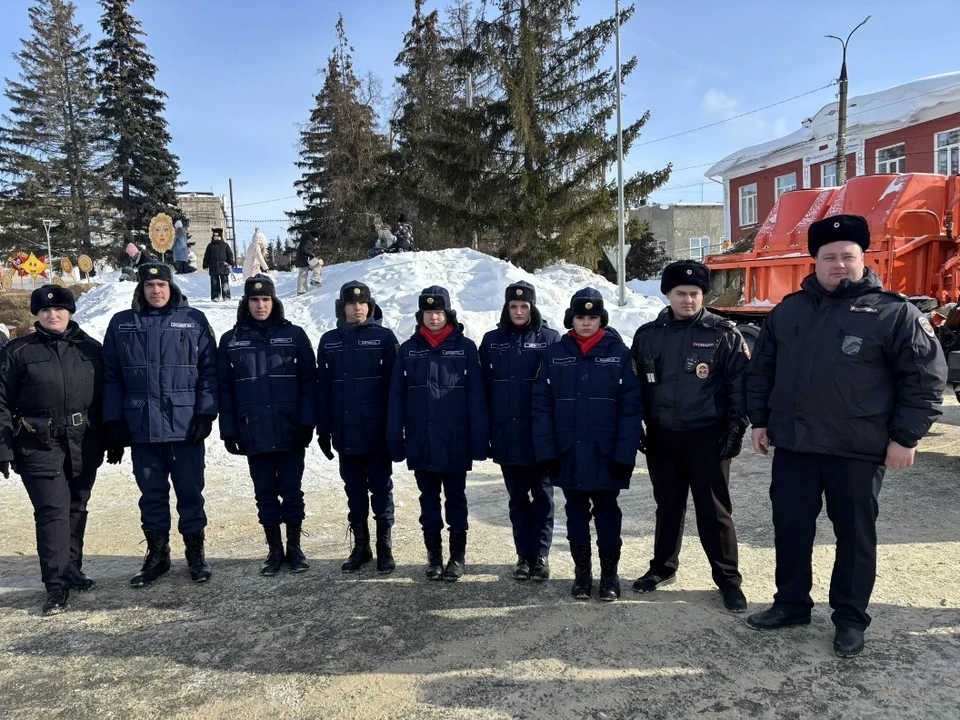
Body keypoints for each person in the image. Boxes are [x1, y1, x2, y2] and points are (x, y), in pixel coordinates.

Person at [744, 214, 947, 658]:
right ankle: (791, 603)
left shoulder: (893, 313)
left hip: (857, 450)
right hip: (795, 446)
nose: (839, 264)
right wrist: (759, 421)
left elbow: (925, 380)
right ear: (814, 262)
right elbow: (761, 372)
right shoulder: (788, 312)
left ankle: (850, 619)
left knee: (854, 538)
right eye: (829, 257)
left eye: (848, 256)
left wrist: (906, 437)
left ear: (863, 258)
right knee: (790, 528)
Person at [630, 260, 749, 613]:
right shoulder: (647, 336)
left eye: (695, 293)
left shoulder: (724, 334)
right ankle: (663, 567)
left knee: (714, 512)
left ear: (703, 295)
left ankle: (728, 580)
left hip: (707, 438)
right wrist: (635, 424)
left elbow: (739, 387)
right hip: (662, 437)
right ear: (667, 294)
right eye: (680, 293)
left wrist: (736, 428)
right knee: (668, 506)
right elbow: (634, 386)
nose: (688, 300)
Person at [102, 262, 219, 587]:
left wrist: (206, 413)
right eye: (149, 285)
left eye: (161, 285)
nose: (156, 290)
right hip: (142, 427)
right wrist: (114, 421)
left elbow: (210, 371)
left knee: (190, 492)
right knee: (151, 495)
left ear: (171, 287)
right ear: (141, 288)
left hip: (185, 427)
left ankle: (195, 555)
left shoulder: (193, 320)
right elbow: (111, 376)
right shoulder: (122, 323)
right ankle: (158, 555)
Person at [0, 286, 114, 615]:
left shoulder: (90, 349)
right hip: (38, 443)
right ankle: (56, 583)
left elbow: (105, 397)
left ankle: (72, 568)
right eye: (46, 310)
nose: (53, 314)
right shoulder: (17, 351)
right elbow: (1, 401)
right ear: (36, 314)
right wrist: (3, 447)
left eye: (60, 309)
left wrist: (112, 436)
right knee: (52, 511)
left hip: (83, 441)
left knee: (77, 506)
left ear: (70, 312)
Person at [531, 288, 643, 602]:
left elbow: (631, 409)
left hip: (606, 455)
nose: (586, 323)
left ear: (601, 319)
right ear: (572, 318)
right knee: (576, 515)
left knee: (608, 514)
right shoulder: (554, 355)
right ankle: (582, 575)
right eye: (581, 316)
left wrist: (624, 455)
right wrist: (547, 452)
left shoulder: (620, 355)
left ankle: (609, 576)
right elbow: (541, 407)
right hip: (568, 454)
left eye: (593, 317)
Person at [387, 286, 488, 581]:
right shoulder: (408, 349)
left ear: (448, 314)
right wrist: (395, 439)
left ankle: (457, 557)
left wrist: (478, 441)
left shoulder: (465, 347)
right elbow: (396, 397)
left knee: (456, 499)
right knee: (428, 500)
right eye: (429, 312)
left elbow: (476, 396)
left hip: (455, 440)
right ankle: (434, 557)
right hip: (422, 439)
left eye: (439, 312)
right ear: (421, 316)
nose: (434, 317)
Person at [218, 275, 316, 576]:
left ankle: (294, 549)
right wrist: (229, 430)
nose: (260, 305)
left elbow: (309, 382)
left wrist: (306, 423)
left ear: (274, 302)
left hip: (289, 430)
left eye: (265, 299)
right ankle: (274, 551)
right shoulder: (231, 340)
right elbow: (224, 388)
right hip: (254, 430)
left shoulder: (295, 335)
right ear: (246, 303)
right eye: (254, 300)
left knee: (292, 491)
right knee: (265, 493)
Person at [316, 281, 399, 574]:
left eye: (362, 303)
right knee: (354, 491)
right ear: (343, 308)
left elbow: (395, 390)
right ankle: (361, 547)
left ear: (370, 306)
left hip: (376, 432)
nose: (357, 308)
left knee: (381, 489)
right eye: (352, 304)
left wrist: (394, 429)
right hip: (345, 431)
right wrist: (323, 430)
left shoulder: (384, 339)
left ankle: (385, 548)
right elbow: (323, 389)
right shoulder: (329, 341)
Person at [479, 281, 560, 581]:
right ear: (506, 308)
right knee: (517, 500)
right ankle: (523, 555)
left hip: (540, 437)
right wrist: (488, 434)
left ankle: (541, 554)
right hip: (507, 435)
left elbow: (558, 391)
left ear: (532, 307)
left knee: (543, 497)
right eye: (513, 306)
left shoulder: (550, 339)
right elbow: (484, 391)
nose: (518, 311)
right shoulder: (492, 341)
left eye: (524, 306)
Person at [202, 228, 234, 302]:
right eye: (215, 236)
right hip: (213, 267)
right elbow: (206, 256)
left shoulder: (225, 245)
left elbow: (230, 255)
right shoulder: (210, 246)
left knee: (225, 283)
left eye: (218, 236)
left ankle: (226, 296)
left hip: (224, 267)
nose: (216, 238)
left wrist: (230, 263)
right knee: (214, 283)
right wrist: (205, 265)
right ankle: (215, 296)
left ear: (221, 237)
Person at [295, 231, 318, 295]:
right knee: (303, 274)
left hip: (303, 259)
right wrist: (311, 254)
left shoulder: (306, 240)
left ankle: (303, 289)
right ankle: (301, 290)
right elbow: (304, 249)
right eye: (317, 238)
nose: (317, 239)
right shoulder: (308, 241)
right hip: (303, 260)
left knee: (303, 274)